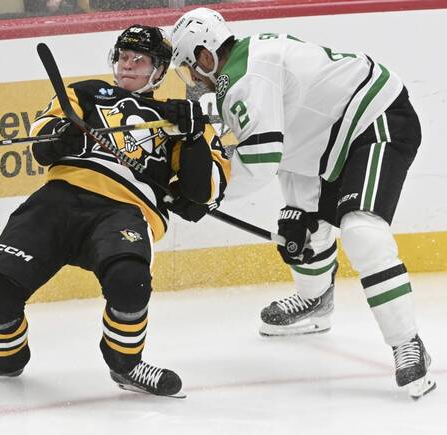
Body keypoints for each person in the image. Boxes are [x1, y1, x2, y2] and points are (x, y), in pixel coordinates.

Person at [0, 24, 230, 398]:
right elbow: (41, 141)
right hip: (59, 199)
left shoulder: (179, 117)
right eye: (123, 57)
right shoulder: (86, 93)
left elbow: (203, 195)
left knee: (130, 284)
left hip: (124, 210)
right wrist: (61, 137)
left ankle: (126, 364)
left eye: (139, 59)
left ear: (159, 70)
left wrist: (192, 136)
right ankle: (5, 358)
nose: (127, 65)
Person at [170, 7, 436, 398]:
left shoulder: (245, 77)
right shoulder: (244, 63)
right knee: (299, 229)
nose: (192, 79)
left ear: (205, 56)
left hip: (374, 120)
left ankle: (407, 343)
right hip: (321, 139)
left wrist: (207, 192)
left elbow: (260, 162)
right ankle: (316, 301)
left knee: (362, 232)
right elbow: (276, 141)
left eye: (191, 67)